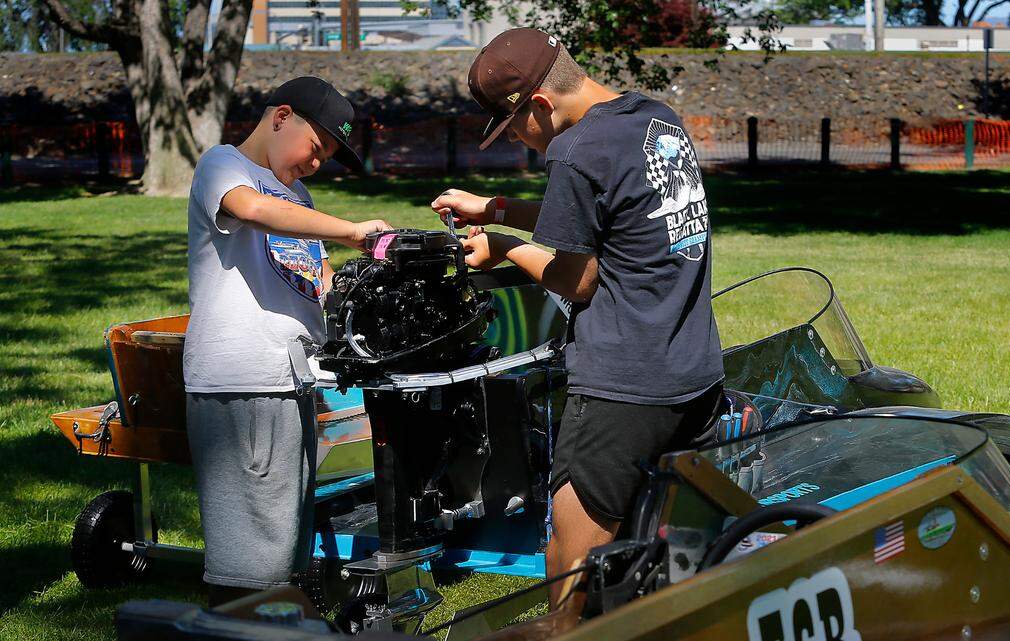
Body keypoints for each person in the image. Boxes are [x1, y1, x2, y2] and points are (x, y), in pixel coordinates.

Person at [430, 28, 724, 608]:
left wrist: (504, 245)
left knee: (572, 561)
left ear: (539, 104)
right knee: (665, 561)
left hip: (624, 382)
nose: (517, 140)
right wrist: (497, 206)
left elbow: (577, 279)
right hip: (695, 374)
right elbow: (609, 214)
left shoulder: (575, 149)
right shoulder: (654, 118)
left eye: (513, 126)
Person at [183, 76, 391, 606]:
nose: (316, 164)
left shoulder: (296, 194)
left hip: (289, 380)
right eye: (316, 148)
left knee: (279, 540)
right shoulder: (224, 166)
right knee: (249, 557)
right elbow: (252, 210)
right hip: (243, 380)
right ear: (281, 118)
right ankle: (237, 625)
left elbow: (314, 280)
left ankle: (268, 619)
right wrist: (349, 230)